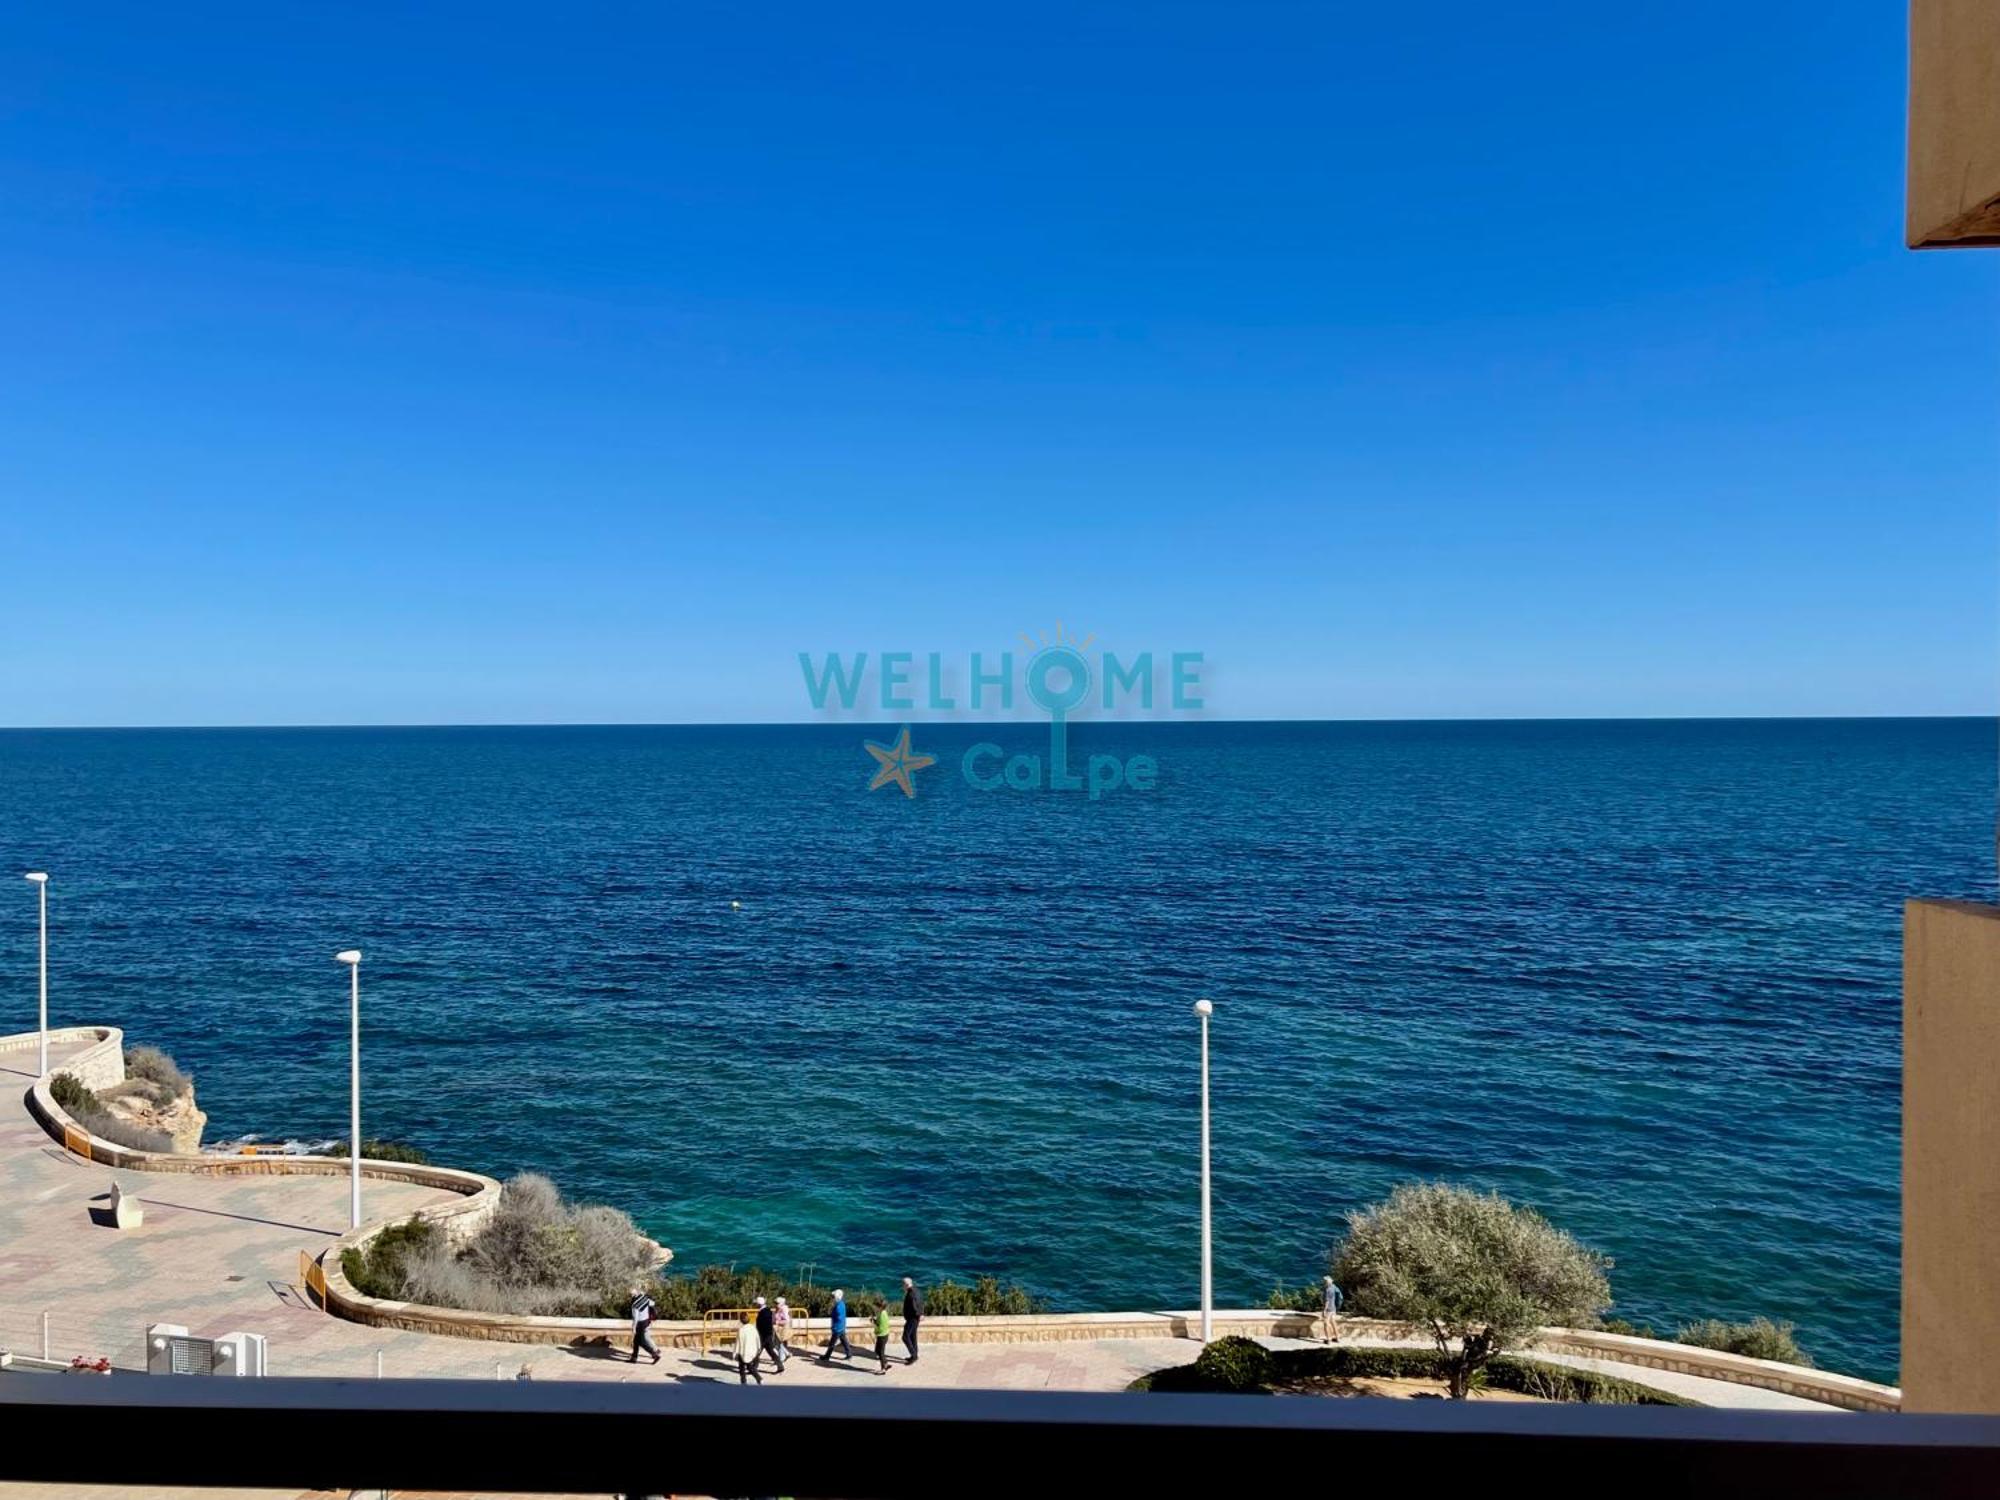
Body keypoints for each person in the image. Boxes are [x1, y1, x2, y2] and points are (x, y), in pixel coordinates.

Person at [628, 1286, 660, 1364]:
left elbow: (636, 1318)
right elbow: (653, 1303)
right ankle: (634, 1357)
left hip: (640, 1324)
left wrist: (633, 1328)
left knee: (641, 1342)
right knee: (636, 1341)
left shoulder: (634, 1305)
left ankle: (655, 1355)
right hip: (646, 1321)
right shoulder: (644, 1298)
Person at [754, 1295, 786, 1372]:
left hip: (763, 1336)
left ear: (759, 1304)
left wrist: (759, 1334)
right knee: (771, 1351)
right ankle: (780, 1366)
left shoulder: (763, 1312)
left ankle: (754, 1368)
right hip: (768, 1335)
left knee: (757, 1352)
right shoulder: (768, 1310)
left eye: (756, 1304)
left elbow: (762, 1325)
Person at [821, 1288, 852, 1363]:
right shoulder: (842, 1304)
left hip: (837, 1328)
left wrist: (833, 1326)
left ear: (836, 1298)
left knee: (832, 1343)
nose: (833, 1298)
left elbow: (838, 1317)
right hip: (841, 1327)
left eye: (834, 1297)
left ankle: (827, 1356)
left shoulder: (838, 1307)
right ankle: (849, 1354)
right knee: (844, 1341)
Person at [734, 1311, 763, 1385]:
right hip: (753, 1351)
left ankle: (744, 1382)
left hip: (743, 1352)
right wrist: (758, 1348)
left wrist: (735, 1353)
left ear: (740, 1320)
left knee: (742, 1368)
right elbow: (757, 1338)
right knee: (750, 1366)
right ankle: (758, 1378)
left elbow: (738, 1342)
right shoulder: (753, 1328)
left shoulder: (741, 1330)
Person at [900, 1276, 923, 1366]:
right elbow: (921, 1302)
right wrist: (921, 1313)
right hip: (915, 1318)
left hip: (912, 1318)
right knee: (913, 1336)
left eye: (903, 1284)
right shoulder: (917, 1290)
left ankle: (914, 1356)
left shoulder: (910, 1294)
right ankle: (914, 1354)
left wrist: (918, 1314)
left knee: (905, 1337)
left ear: (906, 1285)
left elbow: (914, 1306)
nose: (902, 1286)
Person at [1320, 1275, 1343, 1344]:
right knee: (1333, 1323)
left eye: (1324, 1281)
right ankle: (1337, 1338)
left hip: (1328, 1309)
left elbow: (1327, 1301)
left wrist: (1324, 1310)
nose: (1323, 1282)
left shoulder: (1327, 1290)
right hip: (1333, 1308)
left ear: (1326, 1282)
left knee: (1326, 1324)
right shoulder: (1334, 1287)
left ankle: (1328, 1339)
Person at [872, 1298, 893, 1374]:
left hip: (882, 1336)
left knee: (880, 1352)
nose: (874, 1307)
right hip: (883, 1335)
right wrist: (874, 1320)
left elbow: (880, 1327)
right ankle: (886, 1364)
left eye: (875, 1306)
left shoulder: (882, 1315)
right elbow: (879, 1323)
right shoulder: (882, 1313)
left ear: (880, 1307)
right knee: (877, 1351)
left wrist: (873, 1323)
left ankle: (883, 1369)